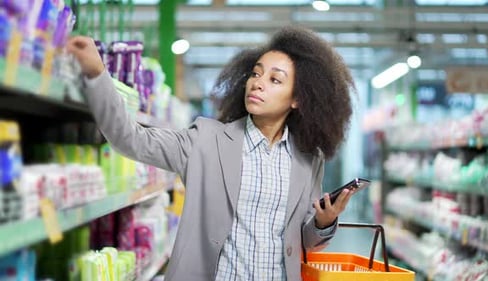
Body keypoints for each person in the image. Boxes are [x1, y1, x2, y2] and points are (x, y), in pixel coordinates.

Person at [66, 25, 356, 281]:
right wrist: (97, 74)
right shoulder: (206, 140)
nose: (258, 82)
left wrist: (323, 222)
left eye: (275, 80)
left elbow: (303, 242)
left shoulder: (309, 158)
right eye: (256, 73)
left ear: (297, 99)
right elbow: (130, 139)